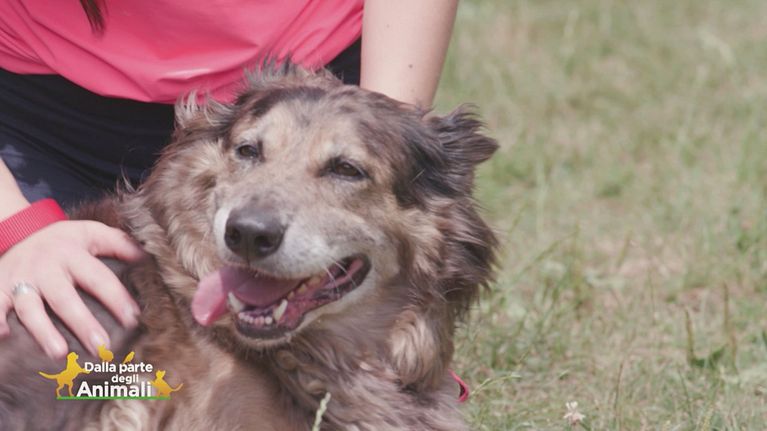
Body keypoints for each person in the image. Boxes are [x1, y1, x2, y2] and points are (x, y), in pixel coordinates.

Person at [0, 0, 458, 359]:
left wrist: (384, 139)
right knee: (72, 368)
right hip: (35, 120)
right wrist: (17, 228)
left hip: (315, 84)